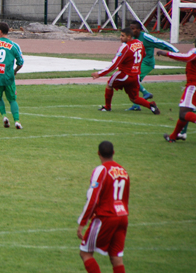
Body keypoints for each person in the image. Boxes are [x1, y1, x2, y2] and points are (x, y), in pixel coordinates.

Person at [77, 141, 130, 273]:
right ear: (113, 153)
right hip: (123, 217)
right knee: (116, 258)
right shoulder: (124, 171)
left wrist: (82, 222)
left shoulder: (101, 170)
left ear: (98, 153)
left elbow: (93, 199)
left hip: (106, 217)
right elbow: (125, 198)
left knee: (85, 253)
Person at [91, 27, 160, 114]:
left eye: (122, 36)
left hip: (124, 74)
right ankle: (151, 105)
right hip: (135, 75)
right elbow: (144, 54)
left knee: (109, 85)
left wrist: (99, 74)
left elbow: (114, 64)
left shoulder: (125, 47)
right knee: (134, 98)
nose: (120, 37)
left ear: (129, 37)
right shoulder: (140, 43)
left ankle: (107, 107)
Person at [126, 20, 179, 111]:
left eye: (133, 29)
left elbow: (160, 42)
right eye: (130, 28)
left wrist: (176, 51)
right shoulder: (131, 38)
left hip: (147, 63)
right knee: (131, 81)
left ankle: (145, 94)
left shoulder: (146, 37)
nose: (131, 30)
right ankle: (137, 104)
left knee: (132, 78)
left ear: (139, 30)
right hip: (137, 63)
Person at [158, 40, 196, 143]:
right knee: (184, 114)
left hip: (193, 87)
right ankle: (173, 136)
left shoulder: (194, 51)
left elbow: (187, 57)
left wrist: (166, 53)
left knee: (184, 113)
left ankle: (175, 136)